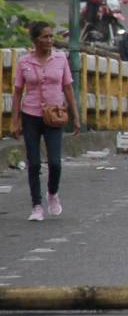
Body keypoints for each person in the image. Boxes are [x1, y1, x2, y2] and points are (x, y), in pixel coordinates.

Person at [12, 22, 81, 221]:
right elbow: (17, 93)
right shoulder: (24, 62)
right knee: (33, 163)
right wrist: (15, 121)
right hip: (31, 115)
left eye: (51, 36)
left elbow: (68, 88)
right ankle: (36, 205)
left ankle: (52, 193)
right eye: (45, 37)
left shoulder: (60, 59)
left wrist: (76, 116)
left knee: (55, 162)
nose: (49, 41)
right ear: (35, 40)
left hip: (55, 116)